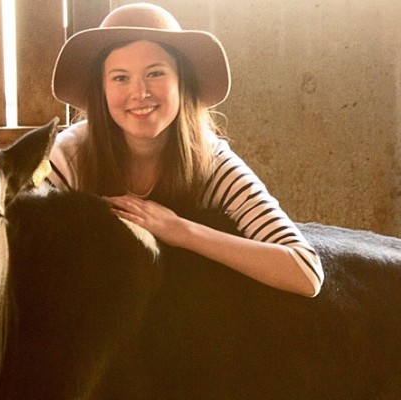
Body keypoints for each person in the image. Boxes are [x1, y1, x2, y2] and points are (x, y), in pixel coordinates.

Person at [47, 2, 323, 297]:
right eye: (120, 77)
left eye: (155, 73)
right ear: (101, 90)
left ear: (183, 82)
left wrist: (179, 230)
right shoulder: (68, 156)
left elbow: (305, 271)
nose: (139, 93)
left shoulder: (212, 161)